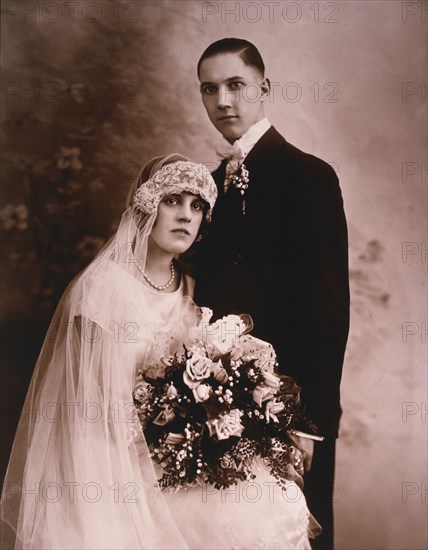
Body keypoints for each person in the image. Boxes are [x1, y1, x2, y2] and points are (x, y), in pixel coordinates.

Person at [0, 154, 318, 549]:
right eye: (173, 200)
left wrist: (217, 431)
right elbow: (92, 415)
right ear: (146, 205)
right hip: (113, 467)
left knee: (277, 503)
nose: (186, 215)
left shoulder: (193, 289)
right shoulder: (101, 292)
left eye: (197, 205)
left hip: (182, 461)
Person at [194, 38, 350, 550]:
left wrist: (310, 424)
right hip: (222, 409)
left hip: (291, 410)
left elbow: (328, 312)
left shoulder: (307, 176)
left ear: (264, 89)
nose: (223, 101)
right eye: (210, 89)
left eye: (236, 85)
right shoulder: (210, 187)